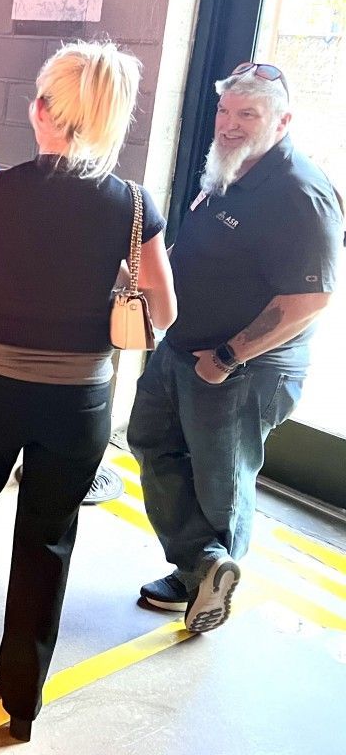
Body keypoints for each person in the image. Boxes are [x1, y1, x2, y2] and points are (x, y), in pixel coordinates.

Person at [0, 42, 176, 739]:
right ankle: (21, 699)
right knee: (47, 538)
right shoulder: (133, 203)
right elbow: (162, 312)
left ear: (40, 110)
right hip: (78, 400)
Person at [127, 62, 341, 634]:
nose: (229, 123)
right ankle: (204, 566)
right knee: (149, 441)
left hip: (240, 369)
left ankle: (211, 584)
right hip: (183, 347)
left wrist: (227, 357)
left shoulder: (301, 193)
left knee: (220, 482)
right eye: (226, 110)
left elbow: (309, 301)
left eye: (248, 114)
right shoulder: (230, 168)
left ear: (283, 120)